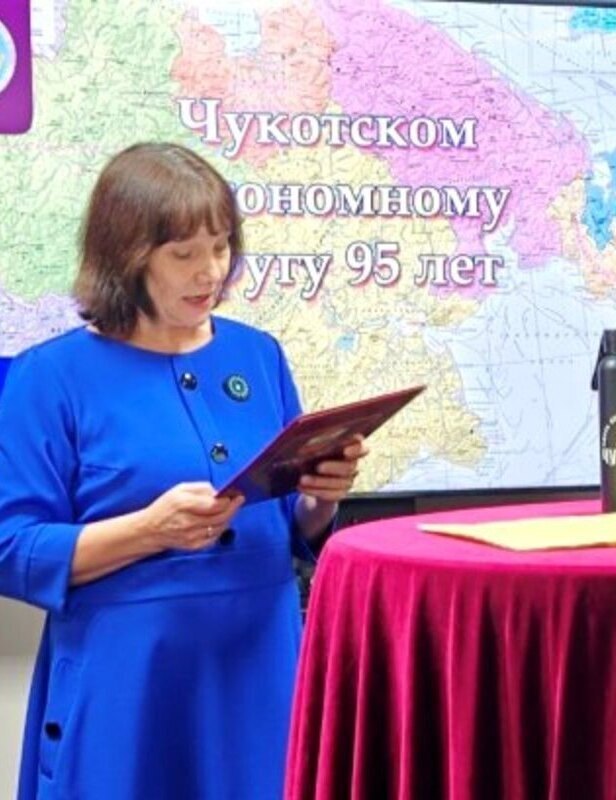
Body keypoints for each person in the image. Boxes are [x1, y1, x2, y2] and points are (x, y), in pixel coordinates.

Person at [0, 142, 367, 798]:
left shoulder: (259, 355)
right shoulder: (48, 378)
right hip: (127, 684)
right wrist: (149, 530)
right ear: (126, 255)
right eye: (184, 253)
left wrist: (321, 502)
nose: (211, 272)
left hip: (261, 667)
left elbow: (287, 527)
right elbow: (11, 549)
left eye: (221, 247)